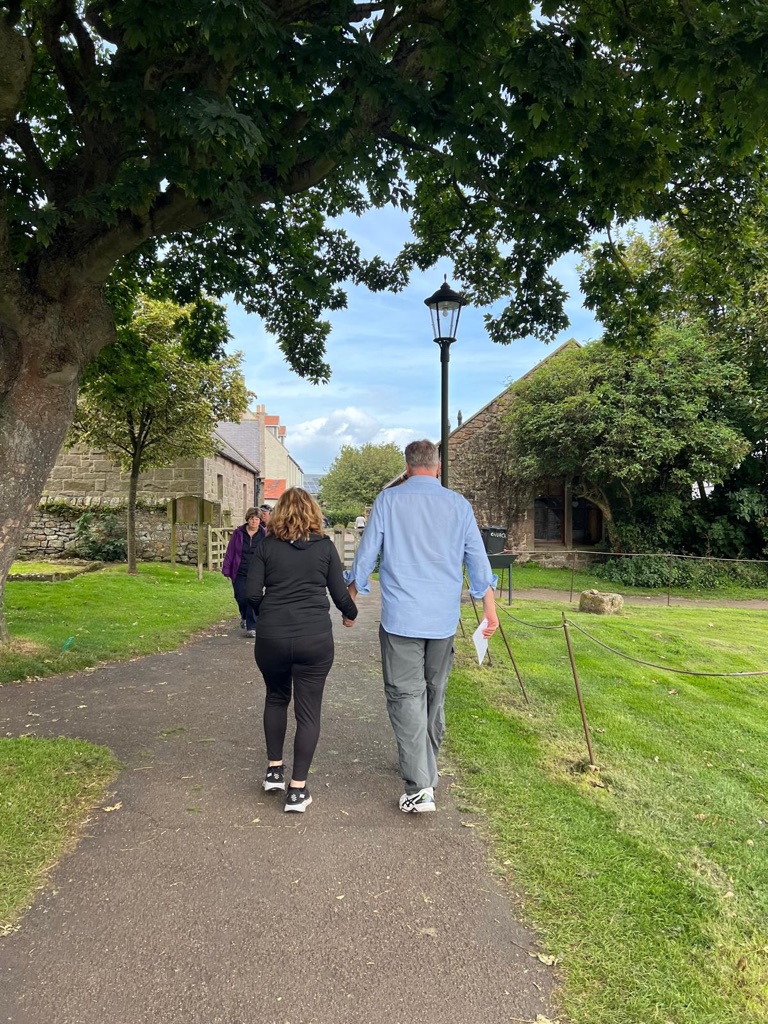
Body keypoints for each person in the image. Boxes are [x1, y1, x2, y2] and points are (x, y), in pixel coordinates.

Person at [345, 439, 498, 814]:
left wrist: (351, 596)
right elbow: (478, 560)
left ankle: (419, 786)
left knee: (405, 696)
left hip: (402, 618)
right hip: (442, 620)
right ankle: (424, 765)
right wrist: (489, 609)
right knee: (433, 693)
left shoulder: (388, 501)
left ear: (407, 466)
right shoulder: (458, 505)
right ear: (438, 467)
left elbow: (367, 553)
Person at [246, 487, 358, 813]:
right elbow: (339, 594)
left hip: (272, 638)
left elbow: (251, 593)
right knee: (308, 712)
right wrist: (350, 614)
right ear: (314, 513)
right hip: (314, 638)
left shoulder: (266, 547)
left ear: (278, 513)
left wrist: (269, 613)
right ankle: (297, 789)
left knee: (276, 697)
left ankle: (274, 770)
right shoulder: (324, 547)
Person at [221, 507, 264, 637]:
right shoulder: (238, 533)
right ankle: (244, 617)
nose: (254, 521)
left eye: (257, 519)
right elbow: (231, 551)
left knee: (252, 597)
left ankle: (252, 627)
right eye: (252, 519)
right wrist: (226, 569)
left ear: (260, 521)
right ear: (247, 519)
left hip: (256, 572)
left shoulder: (264, 534)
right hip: (239, 570)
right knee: (240, 597)